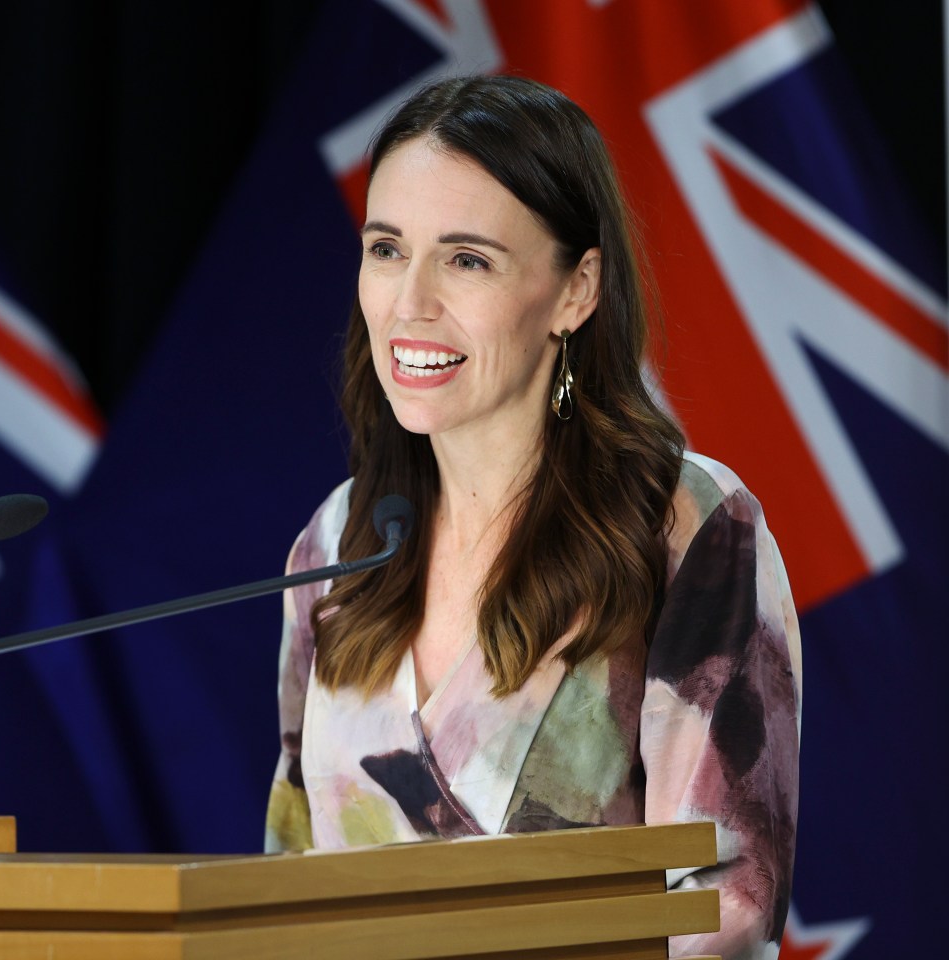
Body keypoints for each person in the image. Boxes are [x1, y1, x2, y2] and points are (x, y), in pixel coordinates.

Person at [265, 75, 801, 960]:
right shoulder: (337, 540)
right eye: (387, 249)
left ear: (576, 290)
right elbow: (283, 874)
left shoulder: (681, 528)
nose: (410, 302)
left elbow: (724, 905)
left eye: (467, 260)